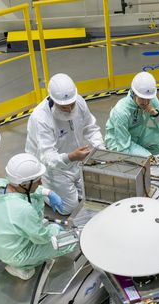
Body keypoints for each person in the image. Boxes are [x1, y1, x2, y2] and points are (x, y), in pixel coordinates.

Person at [0, 154, 75, 280]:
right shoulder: (21, 209)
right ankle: (21, 265)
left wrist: (47, 192)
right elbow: (41, 238)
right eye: (38, 180)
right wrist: (56, 231)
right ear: (24, 184)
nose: (41, 182)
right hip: (15, 254)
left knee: (35, 201)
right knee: (64, 241)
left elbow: (29, 190)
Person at [26, 73, 104, 215]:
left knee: (92, 196)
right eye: (64, 107)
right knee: (69, 208)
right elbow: (48, 157)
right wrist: (71, 157)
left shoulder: (79, 102)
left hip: (77, 161)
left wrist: (101, 149)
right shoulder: (41, 118)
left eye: (71, 105)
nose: (69, 110)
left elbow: (90, 128)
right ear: (53, 100)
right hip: (54, 169)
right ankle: (39, 191)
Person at [105, 71, 159, 156]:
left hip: (139, 134)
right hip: (119, 142)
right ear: (134, 93)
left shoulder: (150, 99)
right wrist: (146, 155)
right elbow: (123, 147)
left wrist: (155, 114)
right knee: (147, 157)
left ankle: (147, 157)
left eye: (148, 99)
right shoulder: (121, 111)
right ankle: (144, 158)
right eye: (142, 98)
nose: (146, 102)